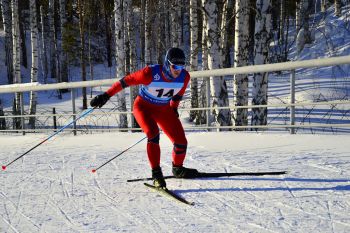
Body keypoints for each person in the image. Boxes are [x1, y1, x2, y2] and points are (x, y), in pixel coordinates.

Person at [90, 47, 198, 188]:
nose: (178, 70)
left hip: (163, 109)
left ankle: (178, 169)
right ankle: (156, 174)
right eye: (175, 66)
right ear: (167, 63)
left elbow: (177, 95)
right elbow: (125, 81)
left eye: (182, 66)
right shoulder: (150, 73)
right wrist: (106, 95)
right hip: (143, 107)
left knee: (181, 142)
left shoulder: (185, 77)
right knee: (153, 134)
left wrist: (174, 108)